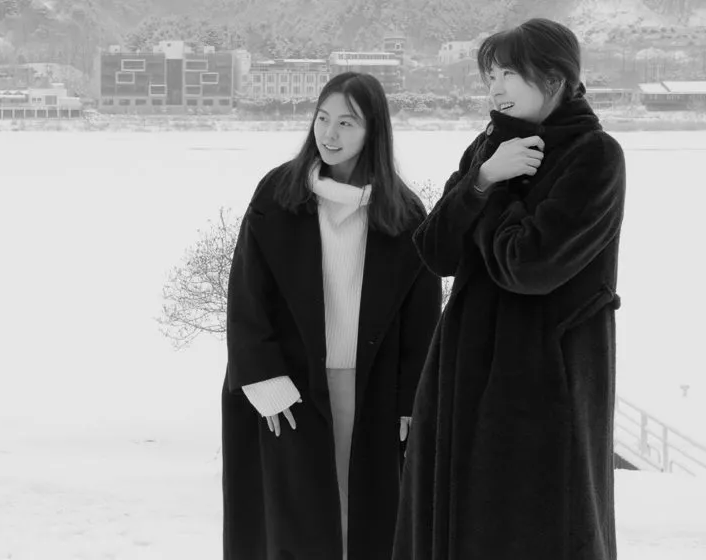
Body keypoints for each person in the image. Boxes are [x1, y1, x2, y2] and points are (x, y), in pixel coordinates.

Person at [394, 18, 626, 560]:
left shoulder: (595, 155)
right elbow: (436, 252)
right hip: (462, 364)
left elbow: (530, 266)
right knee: (456, 520)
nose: (495, 88)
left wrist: (494, 193)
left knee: (538, 522)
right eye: (490, 76)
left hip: (545, 372)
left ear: (554, 77)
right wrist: (481, 180)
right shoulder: (490, 147)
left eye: (508, 74)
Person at [222, 72, 442, 560]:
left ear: (373, 131)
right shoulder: (278, 194)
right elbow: (247, 294)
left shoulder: (404, 212)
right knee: (294, 524)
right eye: (323, 118)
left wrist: (415, 397)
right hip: (289, 388)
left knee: (365, 522)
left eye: (347, 122)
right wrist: (263, 378)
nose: (330, 134)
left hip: (373, 390)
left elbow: (423, 317)